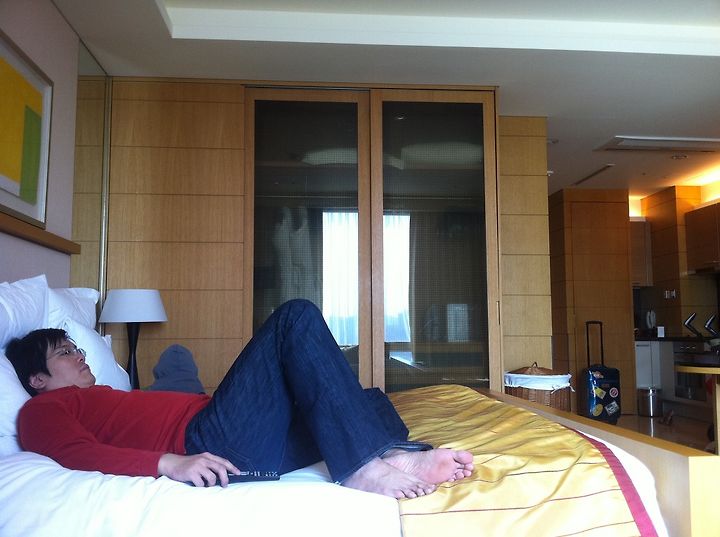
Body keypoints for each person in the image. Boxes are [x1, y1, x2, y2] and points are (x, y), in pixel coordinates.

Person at [7, 299, 473, 499]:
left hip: (240, 440)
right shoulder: (42, 410)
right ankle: (363, 467)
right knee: (295, 317)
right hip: (206, 439)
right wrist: (170, 463)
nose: (79, 356)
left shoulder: (107, 395)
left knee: (367, 401)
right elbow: (75, 453)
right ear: (37, 378)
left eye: (77, 348)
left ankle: (389, 454)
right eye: (64, 353)